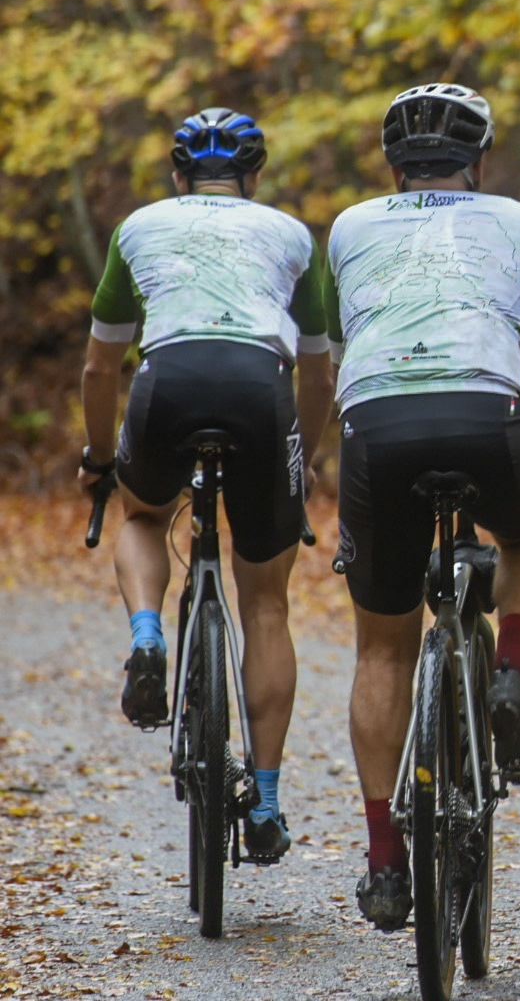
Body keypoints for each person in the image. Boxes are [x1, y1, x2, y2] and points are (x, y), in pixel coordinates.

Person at [325, 82, 520, 930]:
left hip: (375, 424)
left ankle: (386, 865)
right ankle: (512, 676)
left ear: (392, 167)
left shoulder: (350, 227)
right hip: (487, 412)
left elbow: (341, 350)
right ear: (481, 161)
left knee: (382, 649)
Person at [78, 107, 334, 863]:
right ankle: (269, 801)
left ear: (177, 176)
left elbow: (99, 366)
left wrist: (100, 458)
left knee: (146, 516)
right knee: (265, 602)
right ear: (253, 179)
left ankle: (148, 636)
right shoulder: (290, 234)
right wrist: (304, 455)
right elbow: (318, 370)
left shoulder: (139, 227)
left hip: (169, 381)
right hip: (261, 388)